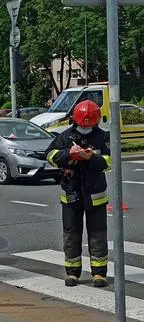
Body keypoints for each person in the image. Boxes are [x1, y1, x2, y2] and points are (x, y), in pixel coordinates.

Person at [46, 100, 111, 288]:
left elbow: (109, 161)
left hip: (96, 195)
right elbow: (50, 155)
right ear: (75, 120)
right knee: (71, 235)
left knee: (98, 235)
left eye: (89, 123)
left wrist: (92, 158)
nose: (86, 126)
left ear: (96, 121)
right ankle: (72, 273)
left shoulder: (102, 137)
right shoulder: (65, 137)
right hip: (71, 193)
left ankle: (99, 273)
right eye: (83, 123)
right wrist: (68, 154)